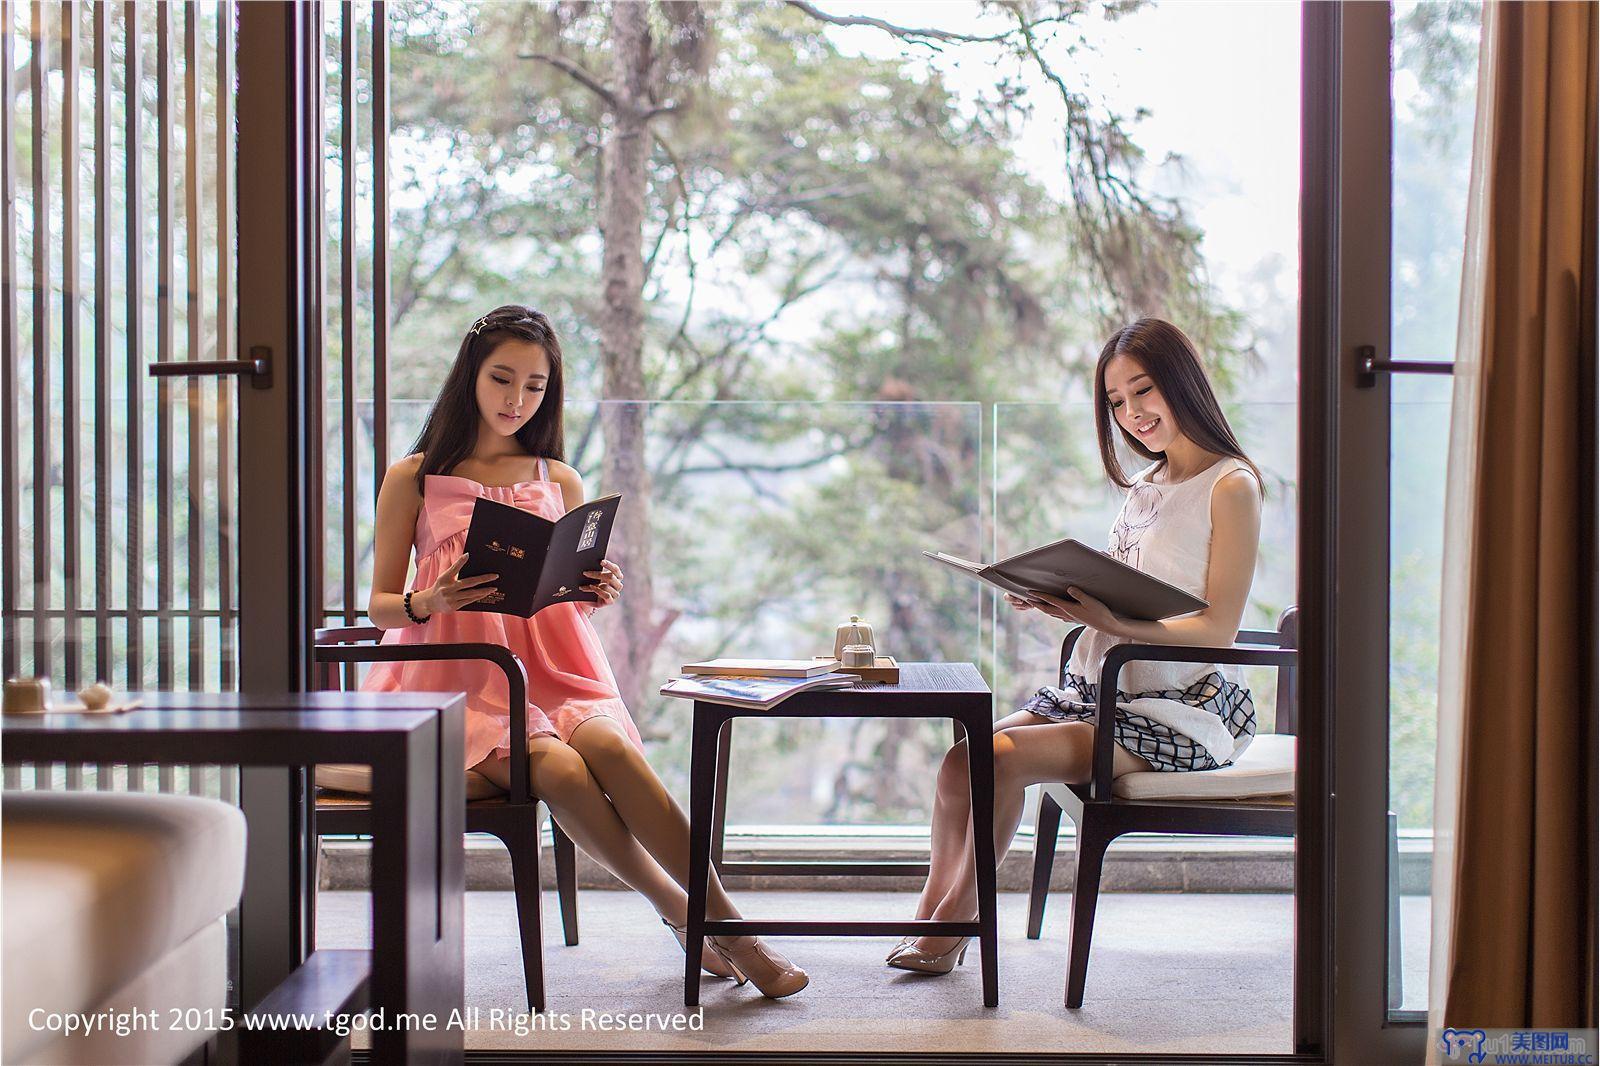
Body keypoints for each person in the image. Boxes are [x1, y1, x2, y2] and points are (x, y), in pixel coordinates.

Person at [361, 304, 807, 998]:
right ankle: (696, 922)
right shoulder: (414, 475)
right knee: (563, 775)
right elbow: (380, 605)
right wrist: (434, 599)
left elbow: (560, 586)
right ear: (469, 378)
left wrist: (594, 587)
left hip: (557, 669)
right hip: (460, 679)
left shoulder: (557, 476)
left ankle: (729, 925)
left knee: (618, 753)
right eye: (501, 379)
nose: (515, 400)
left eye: (533, 387)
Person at [889, 316, 1265, 975]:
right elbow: (1132, 593)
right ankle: (931, 916)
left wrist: (1111, 619)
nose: (1131, 413)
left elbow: (1217, 632)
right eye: (1116, 401)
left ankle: (952, 928)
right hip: (1102, 690)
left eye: (1143, 390)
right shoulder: (1145, 488)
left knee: (1001, 759)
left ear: (1181, 383)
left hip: (1179, 710)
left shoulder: (1231, 486)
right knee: (959, 764)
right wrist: (1060, 598)